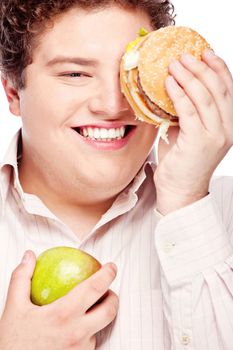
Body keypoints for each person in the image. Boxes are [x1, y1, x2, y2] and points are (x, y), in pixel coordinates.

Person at [0, 0, 233, 348]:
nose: (112, 105)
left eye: (131, 74)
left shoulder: (222, 213)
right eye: (75, 74)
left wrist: (186, 200)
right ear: (14, 92)